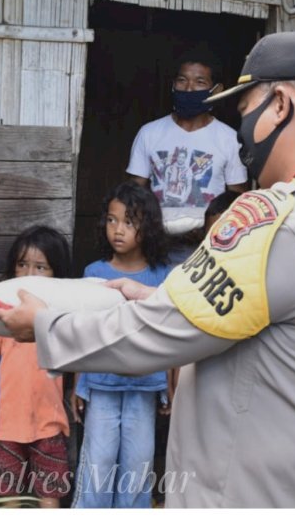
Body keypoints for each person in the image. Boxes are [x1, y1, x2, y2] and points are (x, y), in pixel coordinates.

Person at [0, 32, 295, 507]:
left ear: (280, 105)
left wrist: (48, 326)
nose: (242, 134)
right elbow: (284, 318)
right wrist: (160, 297)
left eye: (246, 112)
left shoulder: (273, 220)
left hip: (240, 495)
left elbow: (163, 334)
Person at [71, 181, 173, 508]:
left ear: (149, 228)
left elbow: (171, 336)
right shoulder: (94, 273)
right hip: (100, 383)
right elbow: (82, 334)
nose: (118, 230)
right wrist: (77, 385)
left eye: (129, 222)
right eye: (112, 220)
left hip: (145, 384)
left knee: (138, 466)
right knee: (98, 465)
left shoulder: (162, 277)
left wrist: (171, 385)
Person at [0, 225, 73, 507]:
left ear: (57, 273)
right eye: (22, 265)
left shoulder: (61, 314)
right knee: (8, 495)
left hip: (49, 418)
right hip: (6, 420)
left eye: (41, 267)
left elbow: (78, 359)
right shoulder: (2, 312)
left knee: (50, 492)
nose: (30, 274)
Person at [126, 50, 248, 263]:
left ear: (216, 90)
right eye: (182, 81)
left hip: (208, 251)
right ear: (173, 85)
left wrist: (208, 231)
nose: (189, 88)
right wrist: (150, 231)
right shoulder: (150, 133)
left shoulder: (229, 139)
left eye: (199, 82)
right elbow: (133, 193)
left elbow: (236, 199)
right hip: (155, 249)